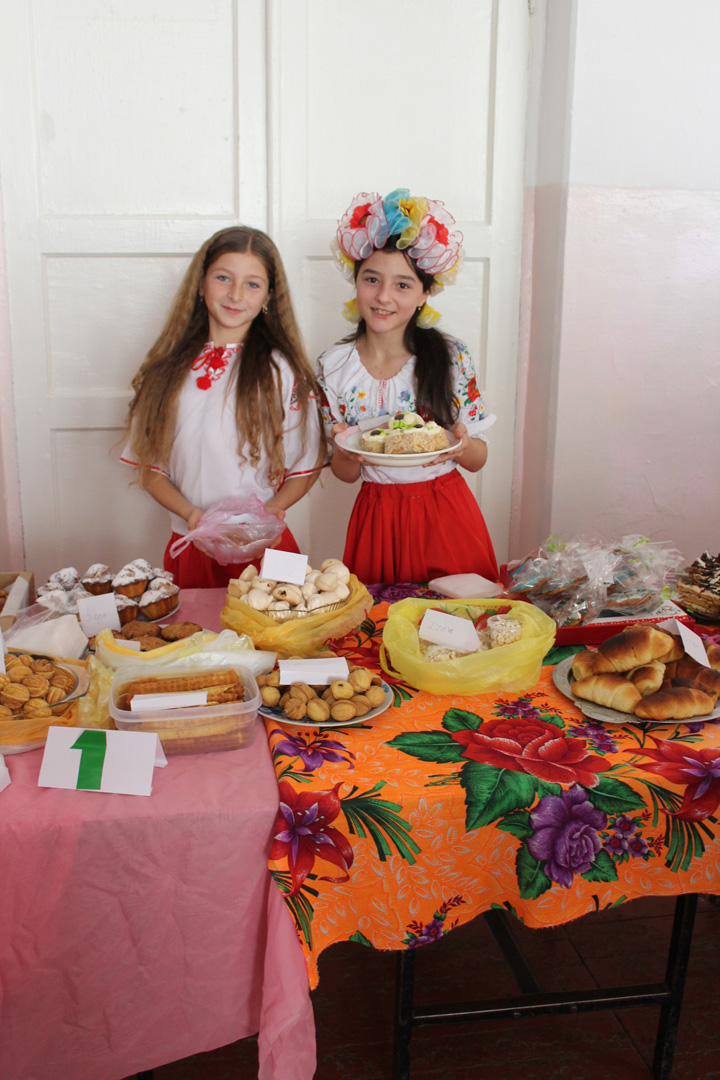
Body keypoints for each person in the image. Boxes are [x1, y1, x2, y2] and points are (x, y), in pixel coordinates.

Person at [122, 226, 326, 588]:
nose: (235, 294)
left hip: (266, 546)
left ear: (269, 295)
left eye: (252, 284)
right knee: (195, 625)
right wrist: (191, 514)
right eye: (223, 278)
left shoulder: (283, 370)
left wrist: (273, 511)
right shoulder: (166, 371)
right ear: (201, 284)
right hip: (192, 542)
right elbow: (150, 467)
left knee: (279, 623)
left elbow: (306, 463)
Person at [317, 188, 499, 585]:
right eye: (371, 279)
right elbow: (345, 473)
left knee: (455, 619)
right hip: (377, 517)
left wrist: (462, 444)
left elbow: (478, 459)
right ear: (355, 281)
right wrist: (344, 450)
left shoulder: (451, 357)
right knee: (379, 620)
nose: (383, 297)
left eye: (402, 285)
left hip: (445, 513)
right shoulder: (332, 367)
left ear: (424, 294)